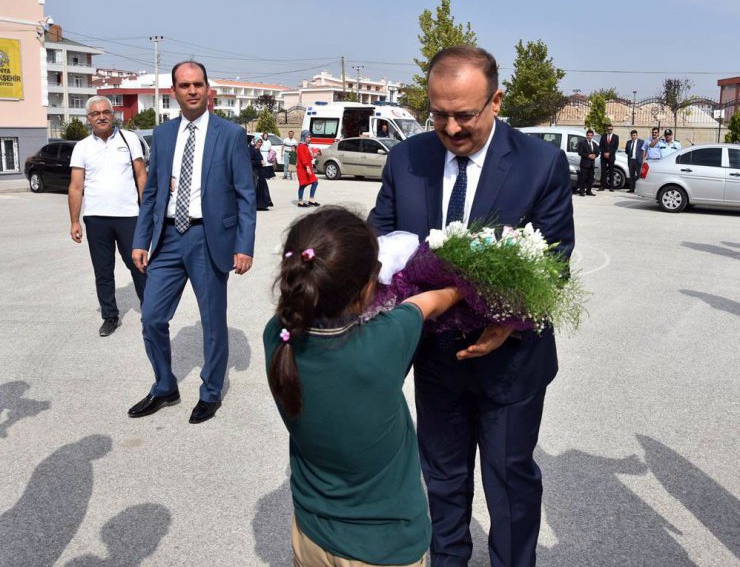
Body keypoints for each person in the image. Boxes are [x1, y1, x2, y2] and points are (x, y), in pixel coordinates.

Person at [369, 45, 574, 567]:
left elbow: (555, 261)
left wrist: (507, 320)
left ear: (496, 101)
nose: (452, 128)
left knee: (509, 483)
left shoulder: (539, 162)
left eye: (465, 114)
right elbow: (381, 240)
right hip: (435, 360)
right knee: (442, 480)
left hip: (512, 363)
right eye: (439, 114)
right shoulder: (406, 158)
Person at [264, 206, 461, 567]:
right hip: (383, 547)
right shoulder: (385, 341)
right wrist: (462, 285)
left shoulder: (278, 337)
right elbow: (431, 301)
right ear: (367, 288)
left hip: (310, 535)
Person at [128, 61, 256, 424]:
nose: (192, 90)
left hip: (208, 238)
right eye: (185, 85)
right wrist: (142, 239)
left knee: (213, 322)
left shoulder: (229, 134)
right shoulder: (163, 134)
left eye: (198, 84)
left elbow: (246, 194)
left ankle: (211, 391)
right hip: (167, 237)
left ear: (208, 89)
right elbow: (151, 192)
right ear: (174, 91)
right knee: (151, 317)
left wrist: (244, 245)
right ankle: (165, 386)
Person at [68, 96, 148, 337]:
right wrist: (74, 221)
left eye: (106, 112)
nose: (101, 116)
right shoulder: (82, 147)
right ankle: (110, 316)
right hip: (96, 219)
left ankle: (151, 313)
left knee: (139, 266)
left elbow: (141, 176)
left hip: (129, 216)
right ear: (88, 119)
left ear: (113, 115)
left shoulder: (130, 139)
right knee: (103, 270)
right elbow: (75, 186)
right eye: (95, 114)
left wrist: (146, 212)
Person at [295, 130, 320, 208]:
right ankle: (300, 201)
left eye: (310, 137)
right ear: (303, 137)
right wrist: (307, 167)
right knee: (303, 184)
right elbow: (303, 159)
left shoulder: (306, 146)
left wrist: (314, 155)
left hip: (307, 168)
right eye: (307, 137)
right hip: (303, 169)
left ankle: (311, 199)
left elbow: (308, 157)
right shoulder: (301, 146)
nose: (309, 138)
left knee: (315, 182)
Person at [251, 138, 274, 211]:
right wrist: (259, 162)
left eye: (261, 142)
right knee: (257, 188)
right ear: (255, 142)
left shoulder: (258, 150)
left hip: (260, 171)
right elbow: (249, 162)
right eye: (258, 142)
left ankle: (262, 205)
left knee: (263, 187)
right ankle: (257, 205)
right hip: (255, 172)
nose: (260, 144)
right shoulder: (252, 150)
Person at [577, 129, 599, 196]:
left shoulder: (594, 144)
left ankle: (589, 191)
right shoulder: (582, 143)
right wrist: (588, 155)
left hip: (592, 164)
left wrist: (595, 155)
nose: (589, 136)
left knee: (591, 179)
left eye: (591, 135)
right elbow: (580, 152)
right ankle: (582, 191)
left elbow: (597, 152)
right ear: (586, 136)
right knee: (583, 178)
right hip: (584, 164)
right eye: (588, 135)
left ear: (592, 136)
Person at [598, 124, 619, 191]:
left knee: (611, 171)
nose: (609, 130)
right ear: (606, 130)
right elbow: (600, 146)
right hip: (603, 156)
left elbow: (615, 147)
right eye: (608, 129)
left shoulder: (616, 137)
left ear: (612, 129)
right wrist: (604, 153)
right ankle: (602, 186)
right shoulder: (603, 136)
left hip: (611, 156)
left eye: (610, 129)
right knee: (603, 171)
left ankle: (611, 187)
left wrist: (609, 153)